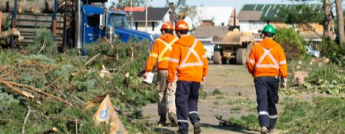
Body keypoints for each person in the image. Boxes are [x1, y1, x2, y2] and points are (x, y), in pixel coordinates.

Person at [168, 20, 208, 134]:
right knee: (192, 101)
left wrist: (170, 80)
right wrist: (203, 75)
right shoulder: (198, 43)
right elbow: (204, 61)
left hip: (184, 78)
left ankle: (183, 129)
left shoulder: (177, 45)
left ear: (178, 32)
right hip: (196, 78)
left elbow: (172, 64)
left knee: (181, 102)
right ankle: (195, 121)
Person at [247, 24, 288, 134]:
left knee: (262, 101)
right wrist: (284, 78)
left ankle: (264, 126)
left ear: (263, 35)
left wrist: (253, 72)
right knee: (272, 102)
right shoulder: (278, 48)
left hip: (259, 78)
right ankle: (272, 126)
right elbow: (283, 64)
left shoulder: (256, 47)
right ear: (273, 36)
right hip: (273, 78)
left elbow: (250, 63)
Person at [144, 22, 178, 126]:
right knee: (171, 92)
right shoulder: (177, 41)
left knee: (161, 92)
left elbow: (152, 57)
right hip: (174, 69)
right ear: (172, 31)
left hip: (162, 70)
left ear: (162, 31)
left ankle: (162, 117)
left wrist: (147, 70)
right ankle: (172, 112)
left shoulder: (158, 41)